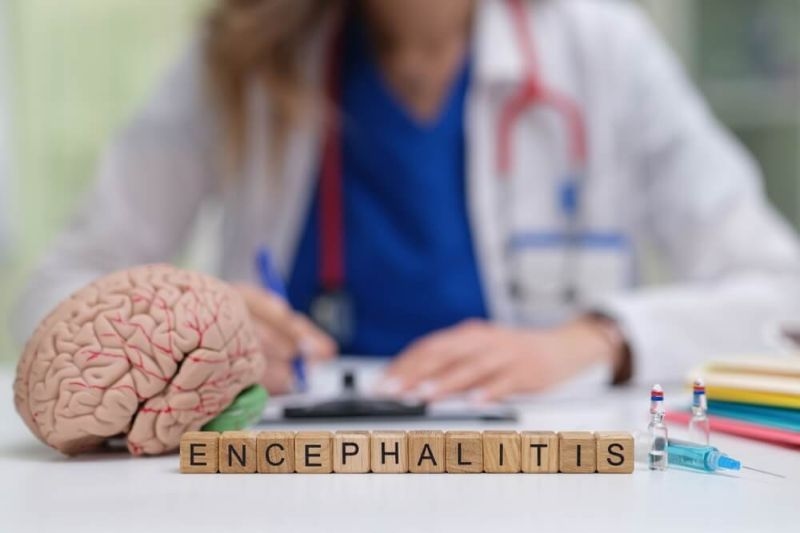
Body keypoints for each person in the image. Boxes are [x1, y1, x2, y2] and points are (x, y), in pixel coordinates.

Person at [13, 0, 800, 401]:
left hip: (540, 490)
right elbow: (48, 301)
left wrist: (600, 340)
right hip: (280, 491)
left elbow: (784, 300)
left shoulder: (601, 51)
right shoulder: (241, 58)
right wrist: (185, 331)